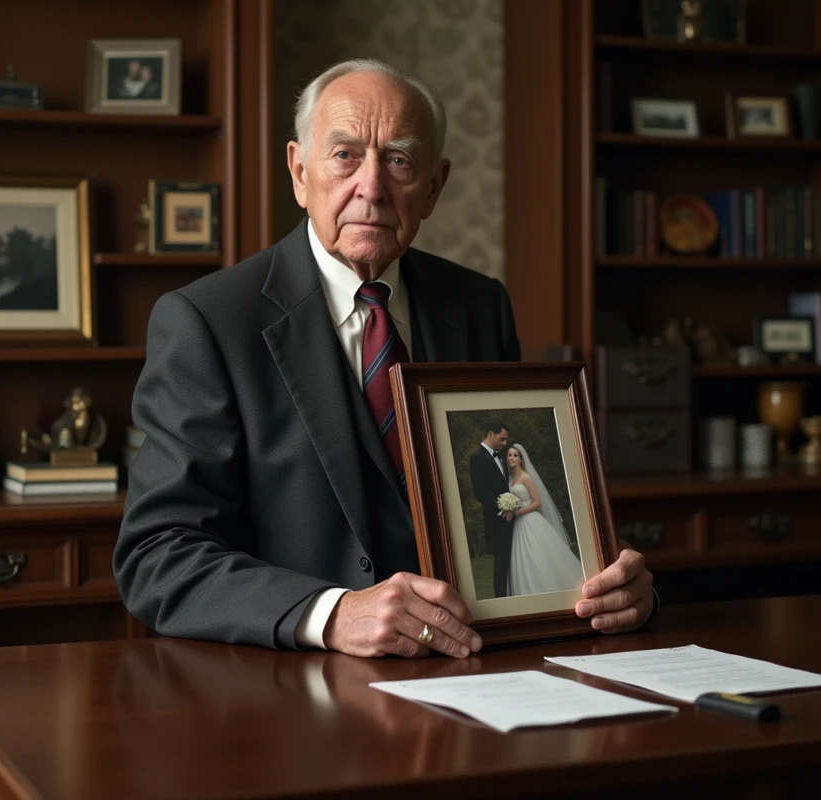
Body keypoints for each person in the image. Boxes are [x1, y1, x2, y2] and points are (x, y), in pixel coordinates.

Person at [115, 58, 656, 660]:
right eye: (344, 155)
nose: (371, 187)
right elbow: (157, 555)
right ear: (299, 171)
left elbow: (509, 505)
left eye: (399, 160)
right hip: (293, 691)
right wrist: (333, 613)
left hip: (477, 674)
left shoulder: (480, 306)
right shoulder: (207, 322)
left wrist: (611, 584)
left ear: (434, 185)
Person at [504, 444, 585, 597]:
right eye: (509, 455)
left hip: (531, 522)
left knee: (538, 556)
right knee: (523, 561)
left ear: (521, 459)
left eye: (515, 455)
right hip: (519, 525)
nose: (511, 458)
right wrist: (509, 509)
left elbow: (537, 502)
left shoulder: (526, 477)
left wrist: (519, 512)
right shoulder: (510, 479)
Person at [468, 419, 515, 598]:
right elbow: (479, 491)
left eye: (505, 440)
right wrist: (503, 509)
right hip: (496, 520)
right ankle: (501, 600)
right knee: (501, 562)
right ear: (490, 434)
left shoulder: (502, 458)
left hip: (512, 519)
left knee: (512, 560)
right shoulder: (478, 457)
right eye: (501, 439)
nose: (504, 444)